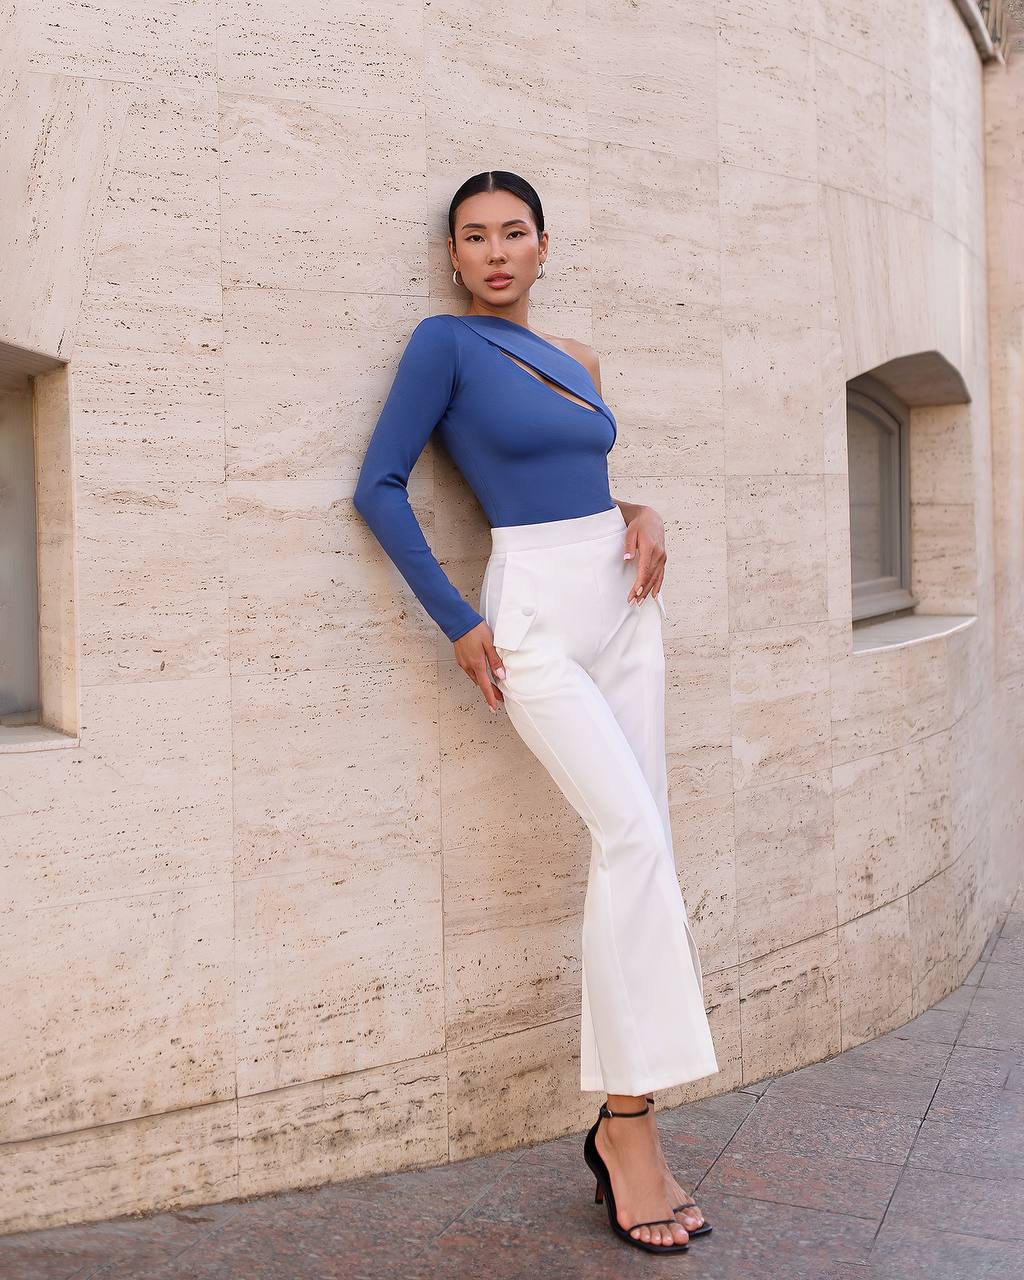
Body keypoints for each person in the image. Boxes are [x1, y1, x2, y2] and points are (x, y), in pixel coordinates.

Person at [353, 170, 719, 1253]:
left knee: (640, 849)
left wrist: (643, 507)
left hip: (625, 611)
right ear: (454, 258)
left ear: (546, 246)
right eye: (474, 236)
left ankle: (622, 1118)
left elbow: (589, 483)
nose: (496, 250)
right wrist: (459, 618)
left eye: (515, 232)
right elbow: (376, 484)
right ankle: (631, 1130)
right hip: (536, 622)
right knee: (632, 837)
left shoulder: (581, 362)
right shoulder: (444, 345)